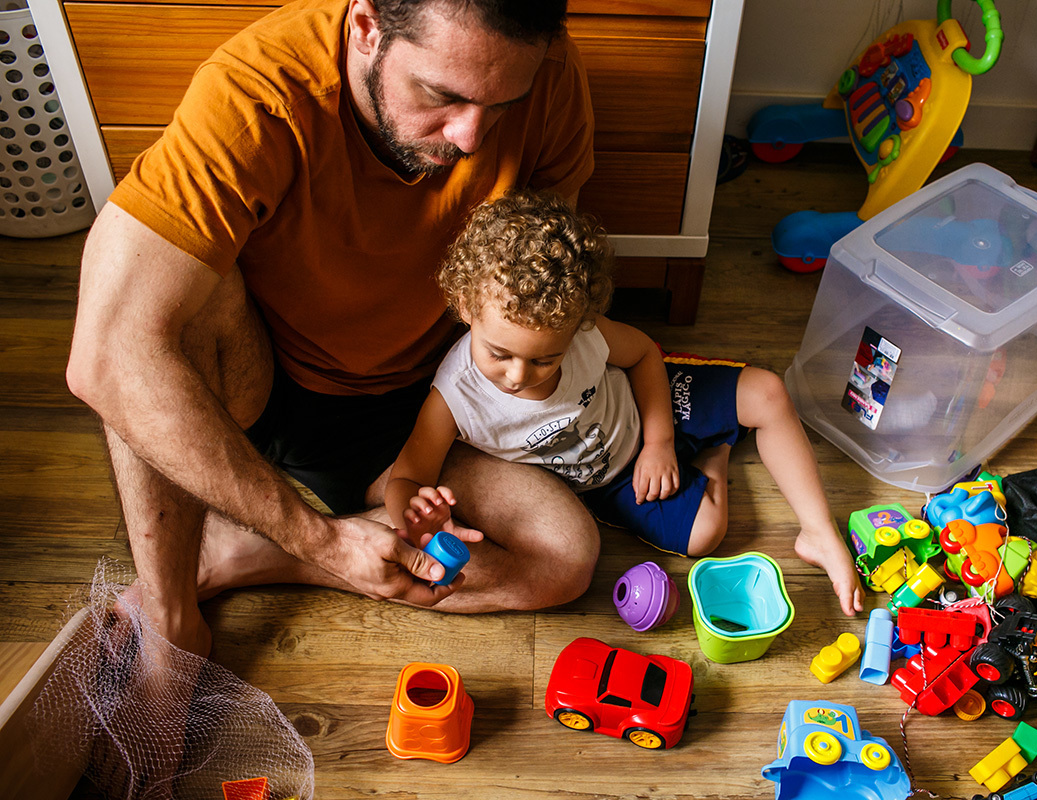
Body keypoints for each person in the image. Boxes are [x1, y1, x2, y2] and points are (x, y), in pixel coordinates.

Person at [65, 0, 603, 658]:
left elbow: (540, 286)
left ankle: (243, 553)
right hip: (264, 382)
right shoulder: (255, 93)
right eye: (441, 94)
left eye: (501, 106)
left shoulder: (542, 70)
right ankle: (172, 614)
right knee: (154, 306)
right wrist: (322, 540)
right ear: (367, 26)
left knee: (566, 558)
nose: (470, 138)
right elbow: (106, 354)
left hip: (427, 398)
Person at [385, 192, 865, 616]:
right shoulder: (454, 398)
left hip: (652, 403)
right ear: (467, 308)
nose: (517, 375)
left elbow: (642, 357)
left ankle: (818, 530)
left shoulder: (585, 334)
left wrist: (659, 440)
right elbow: (407, 476)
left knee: (768, 392)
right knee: (706, 535)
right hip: (607, 481)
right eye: (499, 354)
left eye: (545, 360)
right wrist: (416, 517)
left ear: (577, 326)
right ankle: (715, 451)